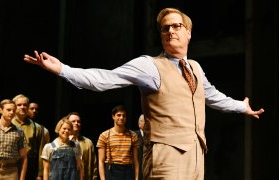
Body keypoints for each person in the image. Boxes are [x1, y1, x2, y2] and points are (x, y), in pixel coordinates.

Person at [24, 7, 265, 180]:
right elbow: (105, 79)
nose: (171, 31)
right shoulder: (149, 65)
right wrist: (63, 70)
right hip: (165, 155)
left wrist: (241, 107)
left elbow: (211, 95)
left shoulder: (195, 68)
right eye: (165, 28)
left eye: (176, 26)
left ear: (189, 33)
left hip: (196, 154)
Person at [96, 105, 139, 180]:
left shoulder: (133, 135)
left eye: (124, 116)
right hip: (112, 171)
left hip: (128, 171)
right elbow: (101, 161)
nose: (121, 118)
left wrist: (137, 178)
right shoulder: (104, 135)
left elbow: (136, 160)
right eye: (118, 115)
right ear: (113, 117)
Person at [12, 94, 45, 180]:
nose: (22, 107)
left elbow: (41, 152)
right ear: (14, 107)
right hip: (10, 165)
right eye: (19, 105)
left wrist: (40, 174)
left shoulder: (37, 127)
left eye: (25, 105)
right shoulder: (8, 124)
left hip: (30, 167)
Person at [66, 112, 98, 180]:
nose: (76, 123)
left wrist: (94, 178)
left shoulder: (88, 142)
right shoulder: (62, 142)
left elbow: (94, 164)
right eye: (73, 121)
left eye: (78, 121)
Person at [28, 102, 51, 178]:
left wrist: (40, 173)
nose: (34, 111)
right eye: (32, 109)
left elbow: (42, 152)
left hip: (32, 166)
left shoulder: (42, 130)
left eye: (36, 109)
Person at [134, 114, 144, 180]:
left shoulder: (152, 136)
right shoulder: (134, 135)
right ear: (139, 123)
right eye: (142, 121)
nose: (144, 122)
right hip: (138, 168)